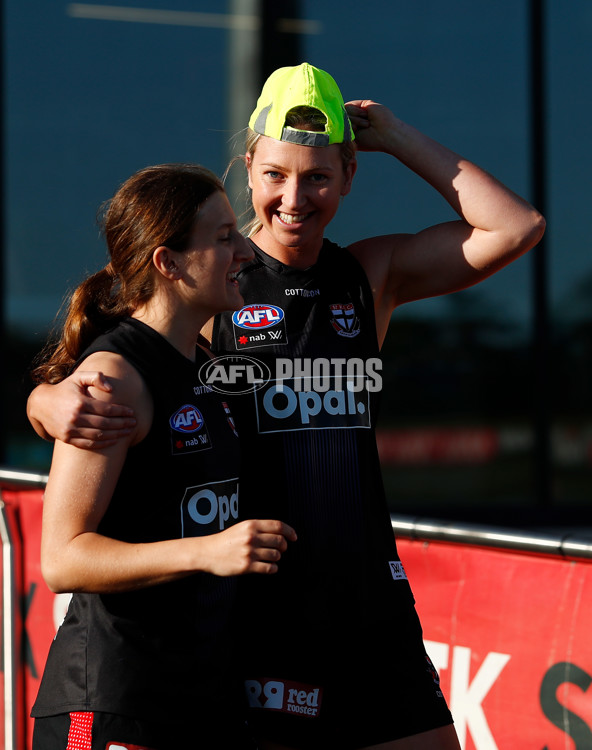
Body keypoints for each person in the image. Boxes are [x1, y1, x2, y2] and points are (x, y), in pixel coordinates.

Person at [27, 64, 545, 749]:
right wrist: (47, 401)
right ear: (249, 170)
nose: (294, 198)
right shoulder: (215, 286)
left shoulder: (367, 277)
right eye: (275, 175)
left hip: (368, 600)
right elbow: (115, 365)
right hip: (256, 605)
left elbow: (517, 227)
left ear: (350, 177)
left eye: (318, 177)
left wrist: (397, 135)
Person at [29, 163, 297, 750]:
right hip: (115, 700)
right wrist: (210, 550)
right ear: (168, 263)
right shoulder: (113, 377)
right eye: (223, 237)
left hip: (200, 703)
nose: (245, 253)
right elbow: (62, 560)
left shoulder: (201, 360)